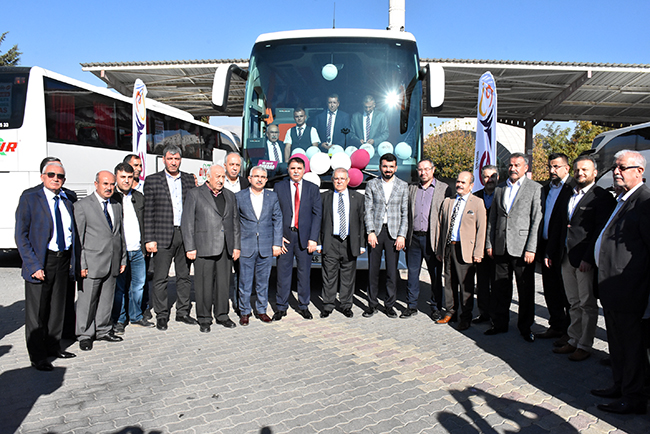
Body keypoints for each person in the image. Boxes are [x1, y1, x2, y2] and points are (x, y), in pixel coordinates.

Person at [592, 150, 650, 415]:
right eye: (615, 167)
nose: (616, 171)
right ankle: (619, 385)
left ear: (639, 171)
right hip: (612, 288)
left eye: (622, 167)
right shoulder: (622, 199)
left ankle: (633, 397)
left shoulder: (644, 202)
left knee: (631, 346)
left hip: (630, 289)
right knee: (616, 343)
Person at [547, 155, 615, 361]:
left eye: (585, 170)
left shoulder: (601, 197)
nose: (580, 173)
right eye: (577, 170)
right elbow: (559, 225)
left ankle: (585, 345)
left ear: (595, 172)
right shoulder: (569, 193)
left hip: (584, 260)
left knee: (587, 304)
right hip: (566, 256)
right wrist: (551, 251)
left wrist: (589, 258)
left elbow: (599, 231)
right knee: (573, 302)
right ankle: (573, 339)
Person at [15, 161, 76, 371]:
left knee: (57, 308)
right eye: (51, 175)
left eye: (60, 176)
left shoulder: (68, 198)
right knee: (38, 312)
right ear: (42, 176)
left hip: (63, 259)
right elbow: (21, 235)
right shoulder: (30, 198)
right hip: (41, 260)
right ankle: (38, 356)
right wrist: (33, 265)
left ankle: (53, 346)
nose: (56, 179)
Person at [485, 153, 542, 342]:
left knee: (525, 290)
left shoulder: (535, 188)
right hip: (501, 246)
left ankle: (525, 327)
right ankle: (499, 324)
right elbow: (493, 219)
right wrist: (490, 243)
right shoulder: (500, 188)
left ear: (526, 167)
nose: (513, 168)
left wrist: (531, 248)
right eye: (510, 165)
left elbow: (536, 220)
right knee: (500, 288)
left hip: (522, 248)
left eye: (517, 165)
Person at [144, 144, 198, 331]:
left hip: (184, 235)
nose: (173, 162)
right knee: (161, 277)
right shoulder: (153, 180)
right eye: (170, 159)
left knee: (184, 276)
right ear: (163, 160)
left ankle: (183, 312)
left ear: (180, 160)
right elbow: (148, 212)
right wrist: (149, 238)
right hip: (162, 235)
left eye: (176, 159)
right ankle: (161, 314)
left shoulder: (189, 180)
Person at [181, 164, 240, 332]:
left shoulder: (229, 195)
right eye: (218, 176)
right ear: (208, 177)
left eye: (223, 177)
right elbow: (187, 222)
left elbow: (235, 222)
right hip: (203, 247)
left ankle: (222, 315)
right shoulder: (195, 194)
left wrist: (236, 246)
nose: (221, 180)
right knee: (203, 286)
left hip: (225, 248)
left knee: (223, 285)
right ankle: (204, 318)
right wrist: (190, 247)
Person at [74, 171, 127, 351]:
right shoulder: (82, 206)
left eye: (112, 184)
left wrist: (122, 258)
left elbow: (120, 234)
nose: (109, 187)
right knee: (87, 300)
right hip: (92, 262)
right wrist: (81, 264)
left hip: (113, 260)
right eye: (105, 184)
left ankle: (103, 329)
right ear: (96, 184)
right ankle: (85, 334)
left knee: (106, 299)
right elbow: (79, 239)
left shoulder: (116, 205)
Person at [435, 171, 486, 330]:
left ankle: (465, 317)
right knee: (449, 282)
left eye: (463, 182)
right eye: (458, 181)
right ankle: (451, 312)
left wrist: (478, 252)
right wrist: (439, 249)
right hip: (449, 247)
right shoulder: (448, 202)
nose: (459, 185)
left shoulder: (477, 203)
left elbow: (482, 229)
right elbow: (440, 227)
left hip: (466, 250)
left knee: (466, 286)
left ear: (471, 185)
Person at [273, 156, 322, 320]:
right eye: (293, 168)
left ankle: (303, 306)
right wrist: (277, 237)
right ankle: (281, 307)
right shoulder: (279, 187)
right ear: (288, 170)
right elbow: (274, 213)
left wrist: (313, 238)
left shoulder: (312, 188)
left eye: (299, 168)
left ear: (304, 170)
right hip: (285, 238)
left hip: (305, 238)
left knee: (304, 274)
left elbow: (317, 215)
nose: (296, 171)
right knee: (283, 274)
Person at [363, 153, 409, 318]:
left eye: (391, 167)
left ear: (395, 168)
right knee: (373, 271)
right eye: (385, 166)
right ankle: (372, 305)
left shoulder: (403, 186)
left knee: (391, 272)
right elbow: (367, 210)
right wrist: (370, 232)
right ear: (380, 167)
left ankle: (389, 305)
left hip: (394, 234)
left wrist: (402, 235)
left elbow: (405, 213)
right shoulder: (371, 184)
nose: (388, 169)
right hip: (376, 233)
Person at [235, 166, 283, 325]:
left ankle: (261, 310)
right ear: (250, 178)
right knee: (245, 282)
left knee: (263, 282)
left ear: (266, 180)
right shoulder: (239, 197)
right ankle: (244, 311)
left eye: (263, 177)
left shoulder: (272, 197)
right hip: (246, 246)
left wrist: (277, 243)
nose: (259, 179)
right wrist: (236, 245)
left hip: (266, 246)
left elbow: (278, 220)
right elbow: (234, 222)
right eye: (256, 176)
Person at [110, 163, 153, 335]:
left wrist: (146, 243)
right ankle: (119, 319)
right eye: (123, 177)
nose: (127, 181)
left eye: (129, 177)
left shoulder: (139, 197)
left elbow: (146, 221)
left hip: (137, 250)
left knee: (138, 285)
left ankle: (136, 316)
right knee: (119, 288)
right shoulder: (112, 197)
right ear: (116, 178)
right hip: (120, 251)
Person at [537, 153, 575, 340]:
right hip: (545, 245)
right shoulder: (545, 189)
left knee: (566, 291)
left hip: (562, 248)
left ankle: (570, 332)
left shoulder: (573, 189)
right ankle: (556, 326)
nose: (552, 170)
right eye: (550, 167)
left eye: (556, 167)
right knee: (550, 289)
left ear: (567, 168)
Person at [405, 159, 449, 320]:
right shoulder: (411, 188)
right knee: (412, 274)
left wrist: (442, 243)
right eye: (420, 169)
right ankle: (411, 306)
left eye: (426, 169)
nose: (423, 172)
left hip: (433, 240)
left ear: (433, 169)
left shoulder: (444, 189)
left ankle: (436, 307)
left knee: (435, 276)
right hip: (414, 239)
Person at [319, 168, 365, 318]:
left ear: (348, 180)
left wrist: (362, 244)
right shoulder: (324, 197)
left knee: (348, 276)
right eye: (336, 178)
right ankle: (328, 305)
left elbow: (362, 222)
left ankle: (346, 305)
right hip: (330, 241)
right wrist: (319, 243)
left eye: (342, 178)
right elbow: (318, 221)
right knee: (329, 275)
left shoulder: (358, 198)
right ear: (332, 180)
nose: (339, 181)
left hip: (350, 242)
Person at [223, 151, 249, 316]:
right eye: (231, 164)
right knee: (223, 273)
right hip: (222, 235)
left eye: (237, 165)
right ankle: (221, 306)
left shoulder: (246, 183)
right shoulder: (218, 181)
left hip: (241, 235)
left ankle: (240, 304)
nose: (234, 168)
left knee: (241, 273)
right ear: (225, 165)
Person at [472, 165, 498, 324]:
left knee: (496, 284)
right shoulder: (475, 197)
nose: (489, 180)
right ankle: (484, 313)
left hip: (498, 247)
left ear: (498, 178)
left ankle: (496, 315)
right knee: (481, 283)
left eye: (492, 176)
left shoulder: (503, 195)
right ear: (481, 178)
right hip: (480, 247)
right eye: (486, 177)